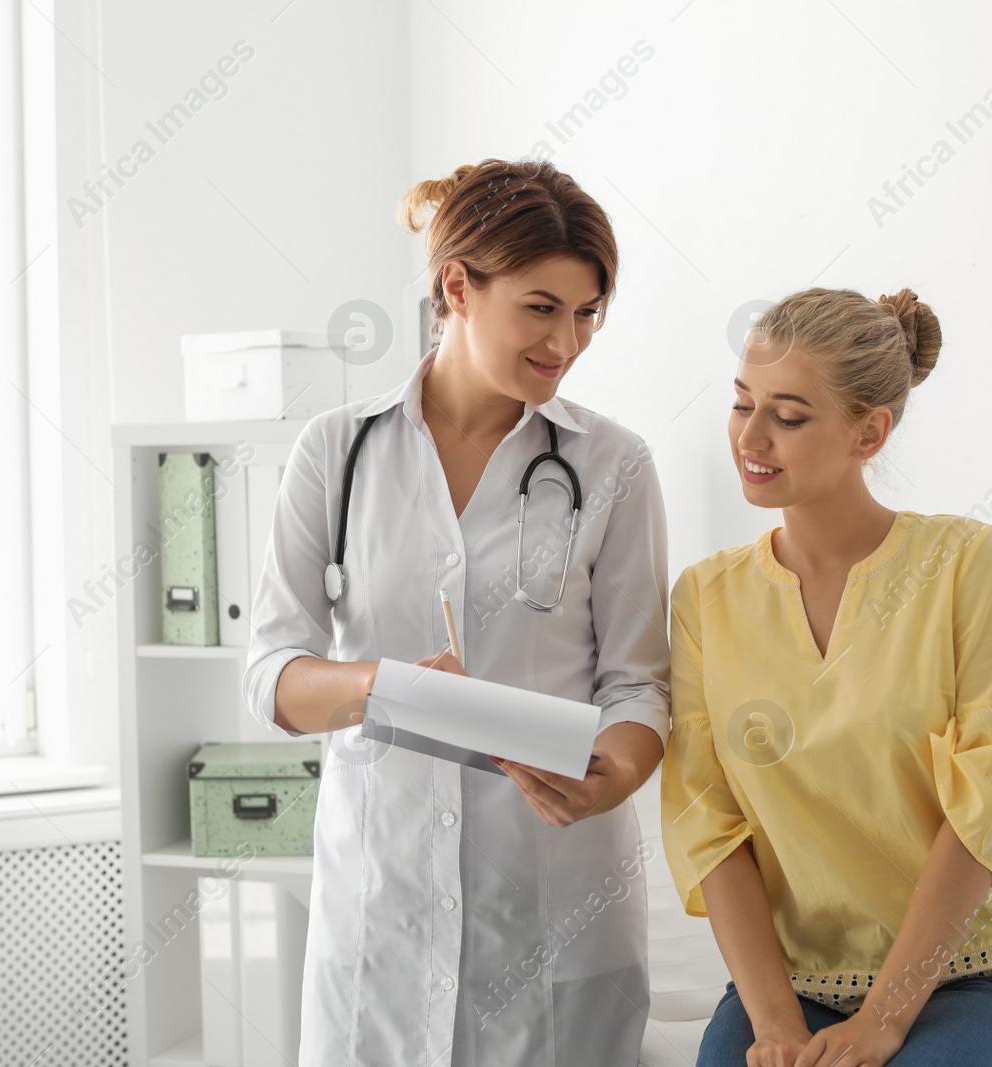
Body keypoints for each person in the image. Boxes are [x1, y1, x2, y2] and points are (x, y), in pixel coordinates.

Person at [243, 158, 671, 1067]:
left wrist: (613, 778)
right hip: (382, 911)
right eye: (541, 307)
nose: (568, 341)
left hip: (556, 897)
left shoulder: (615, 465)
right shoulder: (338, 450)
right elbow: (272, 676)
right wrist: (384, 687)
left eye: (587, 312)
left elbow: (638, 684)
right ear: (457, 287)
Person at [660, 287, 992, 1067]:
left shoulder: (966, 563)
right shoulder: (706, 597)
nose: (751, 435)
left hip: (968, 975)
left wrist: (881, 1020)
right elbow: (707, 822)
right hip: (792, 980)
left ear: (869, 431)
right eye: (742, 404)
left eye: (789, 415)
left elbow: (987, 808)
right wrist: (775, 1023)